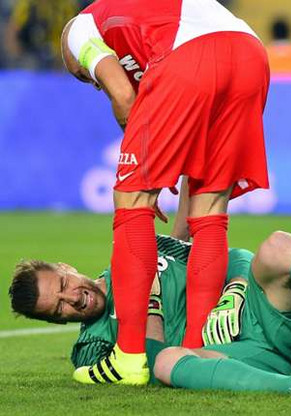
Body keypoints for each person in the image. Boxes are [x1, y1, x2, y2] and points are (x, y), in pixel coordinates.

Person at [60, 0, 270, 385]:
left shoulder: (79, 30)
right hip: (250, 55)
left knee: (130, 201)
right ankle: (194, 354)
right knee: (210, 209)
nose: (92, 83)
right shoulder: (142, 24)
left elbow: (123, 95)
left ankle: (128, 358)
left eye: (84, 77)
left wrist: (143, 170)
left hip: (191, 55)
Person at [8, 231, 291, 395]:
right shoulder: (90, 349)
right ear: (58, 322)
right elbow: (148, 363)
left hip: (264, 311)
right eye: (59, 308)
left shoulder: (146, 248)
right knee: (167, 362)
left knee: (277, 246)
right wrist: (149, 298)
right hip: (232, 358)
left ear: (66, 267)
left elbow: (219, 255)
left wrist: (235, 287)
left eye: (63, 285)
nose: (73, 299)